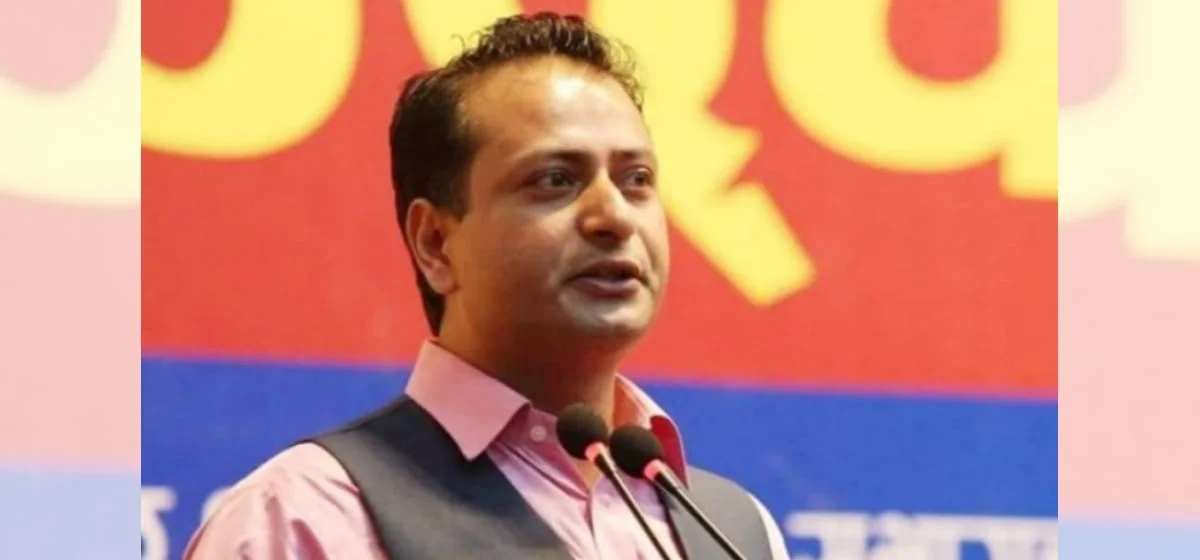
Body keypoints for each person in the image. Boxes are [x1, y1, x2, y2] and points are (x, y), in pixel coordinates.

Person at [185, 12, 789, 559]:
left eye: (636, 179)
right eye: (555, 179)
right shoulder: (303, 521)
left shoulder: (735, 532)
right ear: (435, 243)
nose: (614, 216)